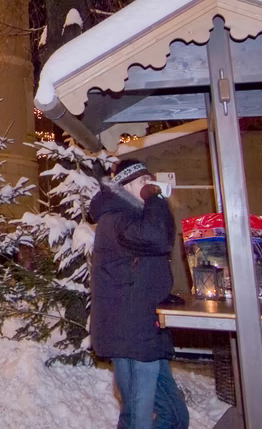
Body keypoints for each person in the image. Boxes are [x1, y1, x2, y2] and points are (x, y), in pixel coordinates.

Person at [88, 159, 189, 429]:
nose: (149, 186)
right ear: (126, 185)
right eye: (143, 182)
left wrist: (160, 293)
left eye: (150, 181)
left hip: (146, 329)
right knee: (137, 419)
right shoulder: (116, 218)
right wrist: (154, 199)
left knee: (175, 417)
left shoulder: (136, 217)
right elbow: (156, 238)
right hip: (130, 334)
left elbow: (160, 243)